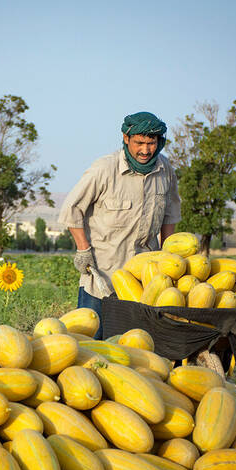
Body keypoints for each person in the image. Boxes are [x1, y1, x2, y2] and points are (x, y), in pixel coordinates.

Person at [58, 112, 181, 339]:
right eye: (139, 143)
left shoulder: (165, 171)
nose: (145, 150)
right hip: (102, 277)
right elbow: (72, 208)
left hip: (143, 281)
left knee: (135, 347)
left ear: (159, 141)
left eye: (151, 143)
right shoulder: (104, 169)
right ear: (126, 138)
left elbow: (170, 216)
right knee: (91, 344)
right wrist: (83, 249)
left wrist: (168, 255)